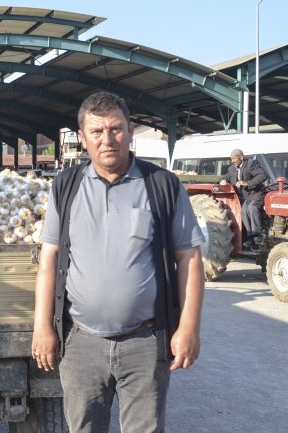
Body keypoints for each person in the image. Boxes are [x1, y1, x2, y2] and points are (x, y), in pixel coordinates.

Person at [31, 92, 206, 432]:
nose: (107, 139)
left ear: (130, 130)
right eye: (96, 131)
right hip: (80, 343)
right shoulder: (66, 186)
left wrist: (188, 327)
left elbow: (189, 258)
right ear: (82, 138)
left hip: (144, 342)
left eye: (116, 129)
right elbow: (49, 258)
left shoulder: (162, 185)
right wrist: (43, 326)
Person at [219, 149, 266, 245]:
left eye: (234, 158)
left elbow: (262, 176)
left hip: (256, 194)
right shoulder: (231, 169)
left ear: (241, 157)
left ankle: (258, 236)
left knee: (252, 208)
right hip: (246, 196)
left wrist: (247, 183)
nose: (232, 161)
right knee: (243, 211)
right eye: (231, 159)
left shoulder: (251, 164)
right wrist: (222, 181)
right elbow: (226, 177)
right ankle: (250, 236)